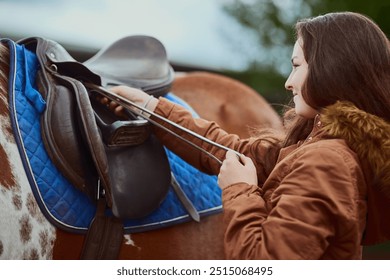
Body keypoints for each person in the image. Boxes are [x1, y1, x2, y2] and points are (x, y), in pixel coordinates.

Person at [104, 11, 390, 259]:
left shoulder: (326, 163)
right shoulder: (319, 147)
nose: (289, 83)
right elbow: (231, 149)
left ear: (332, 68)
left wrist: (239, 189)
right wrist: (152, 109)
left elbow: (262, 263)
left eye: (297, 65)